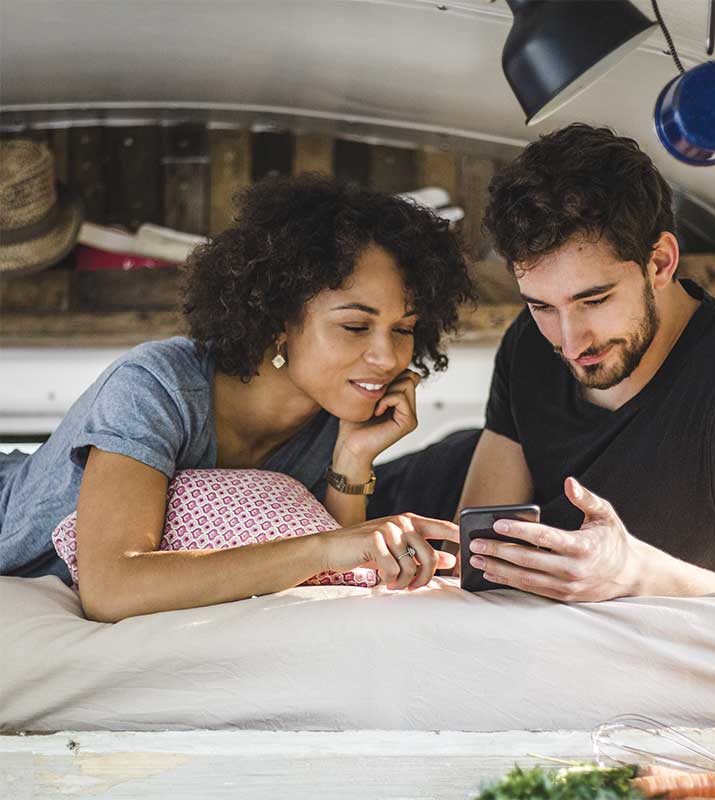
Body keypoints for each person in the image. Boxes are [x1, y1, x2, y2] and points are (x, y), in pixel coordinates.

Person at [0, 174, 473, 621]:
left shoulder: (335, 418)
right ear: (277, 319)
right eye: (355, 326)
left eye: (404, 329)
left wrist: (353, 461)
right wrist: (331, 547)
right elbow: (112, 588)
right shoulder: (156, 386)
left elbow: (340, 577)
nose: (387, 357)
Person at [446, 123, 715, 600]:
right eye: (542, 306)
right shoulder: (530, 342)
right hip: (427, 489)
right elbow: (479, 558)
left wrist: (634, 572)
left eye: (594, 300)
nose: (569, 342)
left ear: (659, 263)